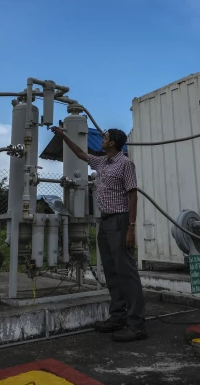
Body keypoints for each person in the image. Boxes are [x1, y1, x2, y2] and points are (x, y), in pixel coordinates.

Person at [50, 126, 147, 342]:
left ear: (112, 143)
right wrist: (64, 135)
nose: (101, 140)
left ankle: (137, 323)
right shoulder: (102, 162)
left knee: (126, 271)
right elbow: (81, 154)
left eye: (104, 137)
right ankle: (118, 316)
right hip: (105, 222)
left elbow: (133, 196)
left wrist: (131, 227)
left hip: (121, 220)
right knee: (112, 271)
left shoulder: (126, 164)